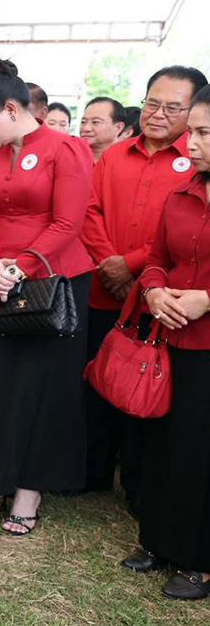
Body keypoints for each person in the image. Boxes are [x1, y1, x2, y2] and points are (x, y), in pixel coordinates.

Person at [0, 58, 94, 535]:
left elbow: (68, 223)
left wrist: (19, 267)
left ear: (12, 109)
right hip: (1, 281)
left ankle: (30, 488)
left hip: (54, 280)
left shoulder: (67, 149)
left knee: (44, 388)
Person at [80, 66, 207, 510]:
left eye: (173, 107)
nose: (158, 113)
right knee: (100, 377)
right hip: (105, 289)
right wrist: (110, 265)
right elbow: (89, 212)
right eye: (153, 103)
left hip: (159, 301)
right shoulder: (115, 155)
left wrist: (131, 267)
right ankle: (92, 472)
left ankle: (136, 484)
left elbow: (176, 236)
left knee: (149, 389)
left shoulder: (195, 163)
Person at [120, 84, 210, 599]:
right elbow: (157, 258)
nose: (190, 142)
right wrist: (153, 291)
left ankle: (199, 560)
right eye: (191, 131)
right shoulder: (181, 193)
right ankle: (158, 540)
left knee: (201, 451)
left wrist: (206, 299)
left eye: (203, 133)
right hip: (171, 339)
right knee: (164, 443)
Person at [79, 96, 127, 163]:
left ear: (118, 128)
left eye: (95, 122)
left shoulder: (127, 161)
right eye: (83, 122)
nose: (86, 128)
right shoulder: (70, 157)